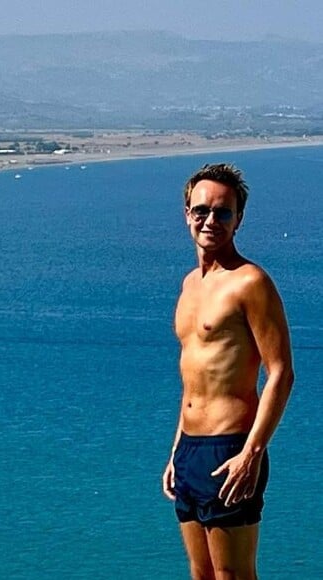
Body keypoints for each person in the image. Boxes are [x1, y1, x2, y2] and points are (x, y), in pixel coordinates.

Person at [162, 163, 294, 579]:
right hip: (189, 452)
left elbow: (281, 373)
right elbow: (195, 375)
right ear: (187, 213)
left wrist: (251, 453)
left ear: (239, 220)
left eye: (223, 213)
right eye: (201, 210)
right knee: (200, 574)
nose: (210, 221)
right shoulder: (189, 286)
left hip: (230, 448)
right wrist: (176, 450)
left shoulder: (250, 282)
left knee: (232, 576)